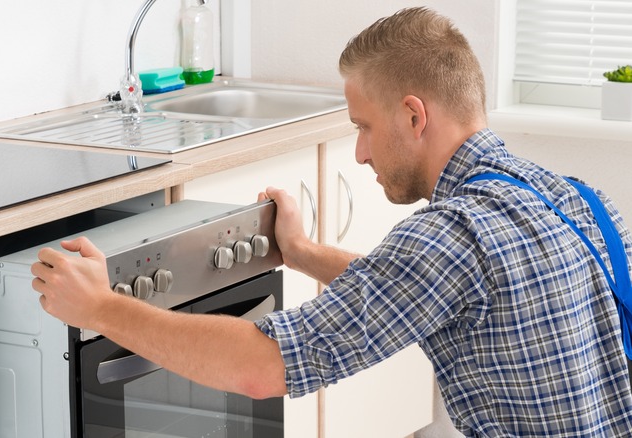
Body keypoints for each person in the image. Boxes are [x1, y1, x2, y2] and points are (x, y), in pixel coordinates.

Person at [31, 7, 632, 436]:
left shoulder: (451, 238)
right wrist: (300, 252)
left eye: (364, 127)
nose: (361, 154)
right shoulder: (578, 201)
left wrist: (102, 310)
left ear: (414, 116)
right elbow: (420, 288)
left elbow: (261, 368)